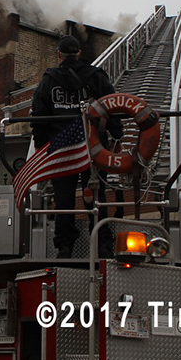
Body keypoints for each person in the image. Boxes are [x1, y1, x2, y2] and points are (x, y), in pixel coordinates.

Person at [30, 34, 122, 259]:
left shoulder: (47, 81)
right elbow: (112, 106)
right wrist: (116, 133)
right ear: (79, 53)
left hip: (61, 149)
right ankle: (102, 243)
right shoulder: (97, 77)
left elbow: (38, 116)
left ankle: (65, 246)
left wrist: (43, 147)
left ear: (59, 55)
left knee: (64, 198)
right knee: (96, 194)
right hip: (93, 147)